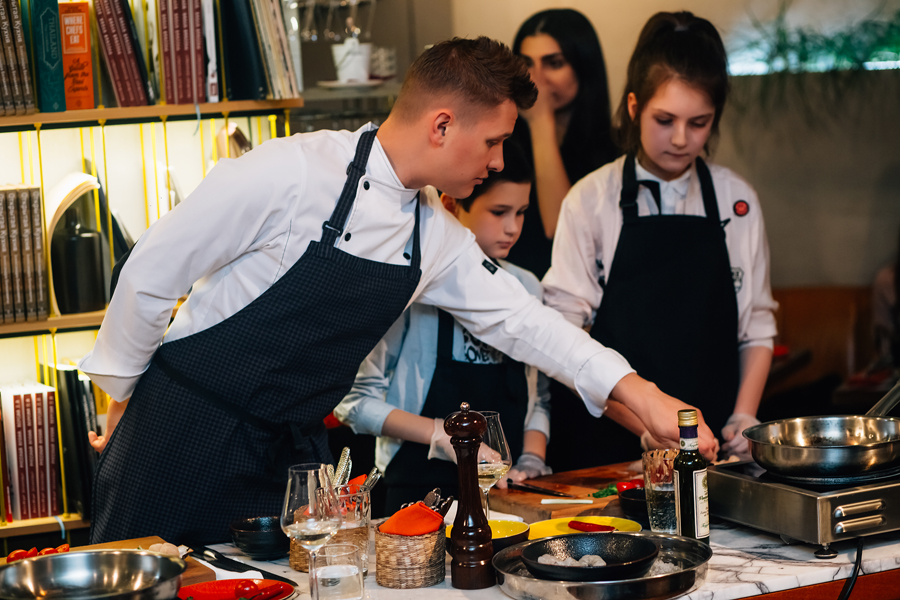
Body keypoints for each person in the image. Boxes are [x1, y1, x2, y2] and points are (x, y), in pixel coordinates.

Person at [79, 36, 716, 546]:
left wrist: (646, 396)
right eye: (493, 141)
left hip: (285, 461)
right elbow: (151, 272)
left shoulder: (432, 234)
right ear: (442, 125)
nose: (497, 163)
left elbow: (528, 324)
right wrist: (122, 394)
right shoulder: (290, 173)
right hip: (178, 434)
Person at [543, 12, 778, 467]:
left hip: (715, 448)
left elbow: (758, 328)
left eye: (699, 123)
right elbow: (563, 341)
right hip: (606, 449)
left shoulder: (736, 200)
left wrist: (743, 416)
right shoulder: (591, 199)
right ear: (634, 107)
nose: (680, 138)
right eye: (664, 119)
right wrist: (648, 424)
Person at [335, 140, 552, 513]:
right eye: (499, 212)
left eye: (521, 212)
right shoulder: (413, 291)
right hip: (418, 491)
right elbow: (353, 404)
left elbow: (539, 398)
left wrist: (532, 459)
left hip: (504, 490)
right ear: (452, 206)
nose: (512, 228)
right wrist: (440, 435)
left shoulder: (526, 287)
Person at [506, 9, 618, 279]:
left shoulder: (614, 149)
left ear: (584, 68)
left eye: (553, 63)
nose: (536, 78)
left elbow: (559, 230)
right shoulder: (500, 144)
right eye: (526, 63)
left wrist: (540, 121)